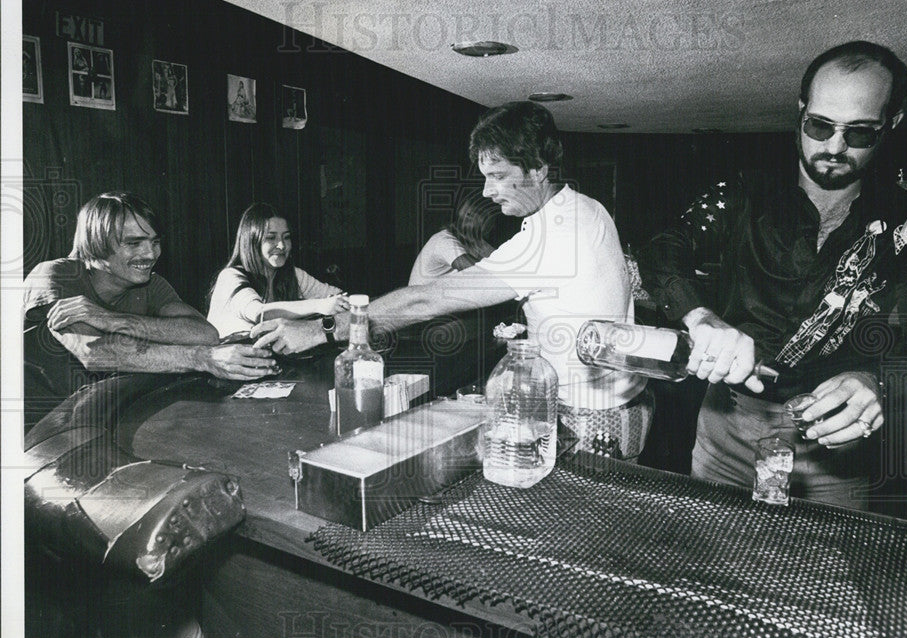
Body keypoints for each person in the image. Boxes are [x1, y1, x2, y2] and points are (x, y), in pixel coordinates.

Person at [253, 101, 652, 459]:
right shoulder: (588, 207)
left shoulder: (550, 236)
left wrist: (324, 330)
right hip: (624, 402)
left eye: (497, 175)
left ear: (538, 170)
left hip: (589, 419)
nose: (487, 190)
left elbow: (426, 301)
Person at [637, 40, 907, 509]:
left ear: (891, 124)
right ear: (800, 111)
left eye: (860, 133)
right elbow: (662, 249)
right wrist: (700, 316)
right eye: (819, 125)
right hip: (727, 424)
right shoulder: (744, 191)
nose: (834, 147)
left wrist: (880, 384)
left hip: (835, 446)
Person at [23, 191, 276, 430]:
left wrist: (108, 319)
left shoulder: (151, 284)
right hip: (28, 427)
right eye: (133, 243)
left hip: (87, 418)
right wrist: (202, 359)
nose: (150, 253)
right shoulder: (56, 276)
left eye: (154, 242)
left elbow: (205, 334)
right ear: (96, 244)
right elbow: (95, 352)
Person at [207, 202, 349, 338]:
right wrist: (319, 305)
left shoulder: (293, 274)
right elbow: (259, 314)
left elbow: (336, 297)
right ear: (251, 241)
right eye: (271, 237)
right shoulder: (230, 276)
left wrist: (343, 303)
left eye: (286, 237)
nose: (281, 245)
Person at [408, 193, 507, 285]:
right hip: (422, 302)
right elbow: (476, 274)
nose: (469, 215)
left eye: (479, 213)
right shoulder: (443, 240)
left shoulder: (478, 243)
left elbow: (504, 269)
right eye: (468, 212)